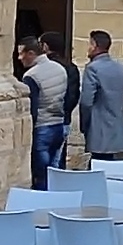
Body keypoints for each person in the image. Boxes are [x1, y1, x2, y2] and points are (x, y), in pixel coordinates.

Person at [17, 37, 68, 190]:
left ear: (31, 53)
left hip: (42, 126)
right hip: (58, 123)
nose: (19, 58)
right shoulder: (60, 69)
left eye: (21, 54)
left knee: (41, 173)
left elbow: (33, 107)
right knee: (54, 169)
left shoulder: (31, 75)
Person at [79, 30, 123, 160]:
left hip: (98, 127)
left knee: (97, 166)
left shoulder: (93, 68)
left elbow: (86, 101)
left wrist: (84, 124)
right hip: (116, 127)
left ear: (95, 46)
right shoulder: (120, 68)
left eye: (90, 44)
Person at [40, 31, 82, 168]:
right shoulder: (71, 67)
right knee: (59, 159)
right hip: (64, 119)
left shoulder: (42, 68)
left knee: (43, 161)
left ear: (45, 46)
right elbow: (74, 95)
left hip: (44, 120)